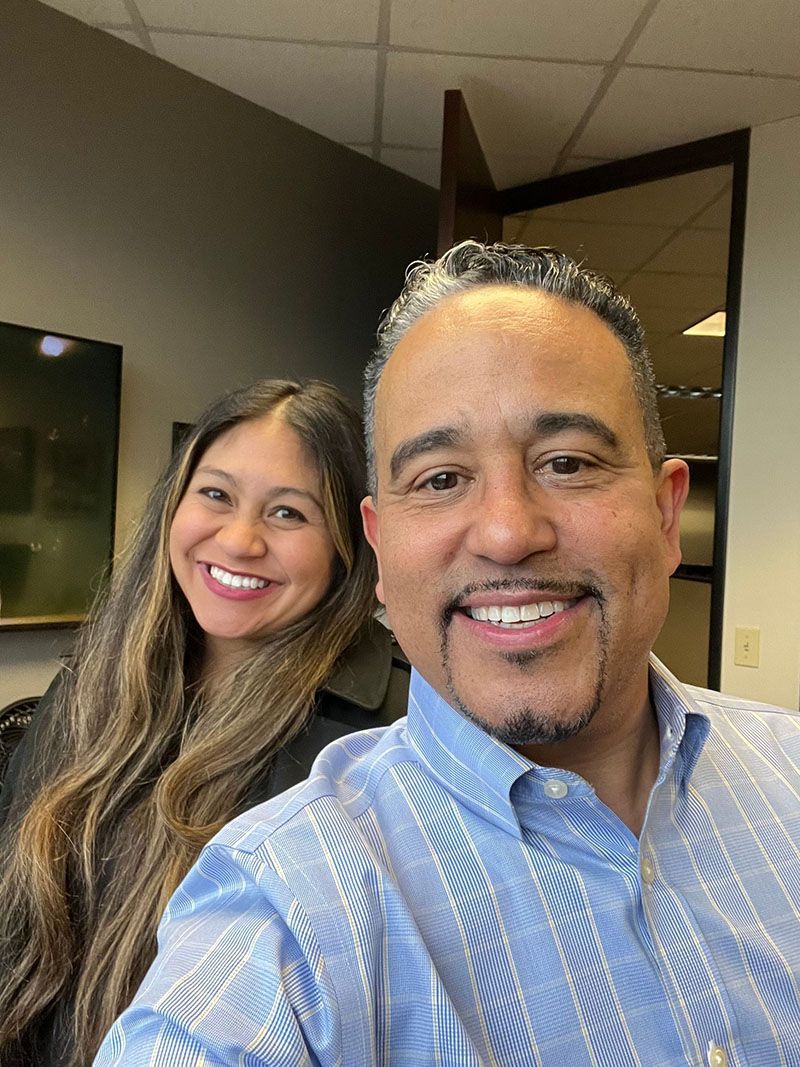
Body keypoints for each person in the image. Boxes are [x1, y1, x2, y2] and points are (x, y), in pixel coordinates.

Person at [96, 243, 800, 1066]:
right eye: (438, 478)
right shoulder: (284, 901)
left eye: (567, 463)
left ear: (665, 510)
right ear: (381, 548)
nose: (507, 531)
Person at [0, 378, 409, 1066]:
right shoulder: (91, 681)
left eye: (288, 514)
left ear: (346, 547)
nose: (240, 539)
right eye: (216, 495)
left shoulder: (386, 741)